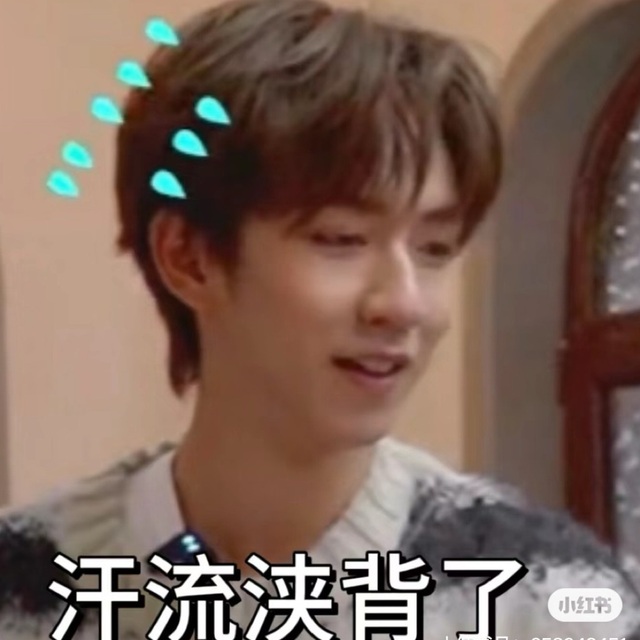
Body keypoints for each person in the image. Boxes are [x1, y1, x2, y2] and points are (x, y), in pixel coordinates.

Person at [1, 0, 639, 638]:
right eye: (341, 239)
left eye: (435, 248)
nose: (404, 304)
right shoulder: (26, 586)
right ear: (188, 258)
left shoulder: (546, 598)